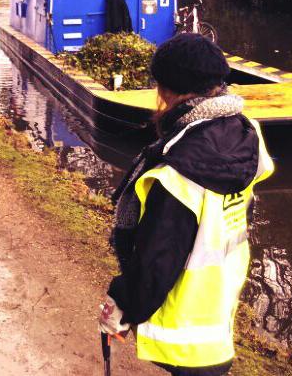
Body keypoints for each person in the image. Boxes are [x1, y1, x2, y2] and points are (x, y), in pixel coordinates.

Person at [98, 33, 275, 376]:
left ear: (166, 91)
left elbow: (157, 261)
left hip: (184, 320)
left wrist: (123, 304)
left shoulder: (177, 170)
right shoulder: (245, 132)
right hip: (220, 300)